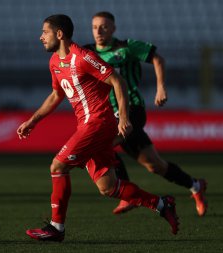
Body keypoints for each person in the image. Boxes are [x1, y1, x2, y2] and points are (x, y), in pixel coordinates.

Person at [17, 14, 179, 242]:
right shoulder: (55, 61)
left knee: (58, 165)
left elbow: (118, 81)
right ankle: (162, 204)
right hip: (87, 125)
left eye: (45, 32)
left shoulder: (84, 57)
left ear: (60, 34)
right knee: (108, 187)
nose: (41, 37)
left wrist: (124, 118)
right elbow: (56, 95)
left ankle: (56, 227)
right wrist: (32, 121)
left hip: (99, 122)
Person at [84, 11, 207, 216]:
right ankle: (195, 186)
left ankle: (126, 195)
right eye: (95, 27)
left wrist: (161, 87)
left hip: (132, 109)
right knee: (155, 165)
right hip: (107, 113)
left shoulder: (127, 47)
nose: (99, 31)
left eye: (104, 27)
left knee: (102, 144)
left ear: (113, 29)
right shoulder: (88, 52)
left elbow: (158, 59)